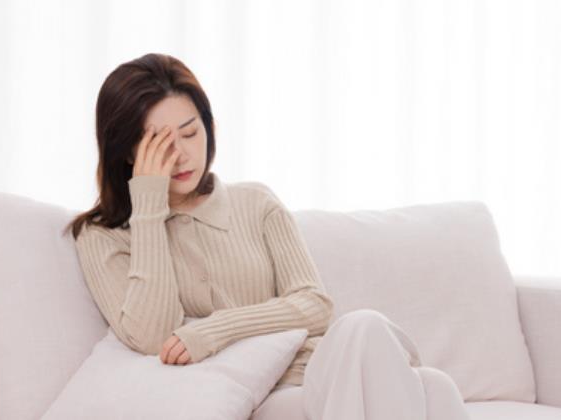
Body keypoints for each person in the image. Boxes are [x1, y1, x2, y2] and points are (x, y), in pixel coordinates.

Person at [65, 52, 470, 420]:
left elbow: (314, 305)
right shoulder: (105, 236)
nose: (182, 155)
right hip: (255, 399)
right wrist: (149, 209)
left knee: (416, 371)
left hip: (320, 373)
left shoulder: (255, 203)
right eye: (160, 143)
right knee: (418, 383)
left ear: (209, 128)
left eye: (190, 133)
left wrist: (215, 329)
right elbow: (153, 336)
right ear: (129, 151)